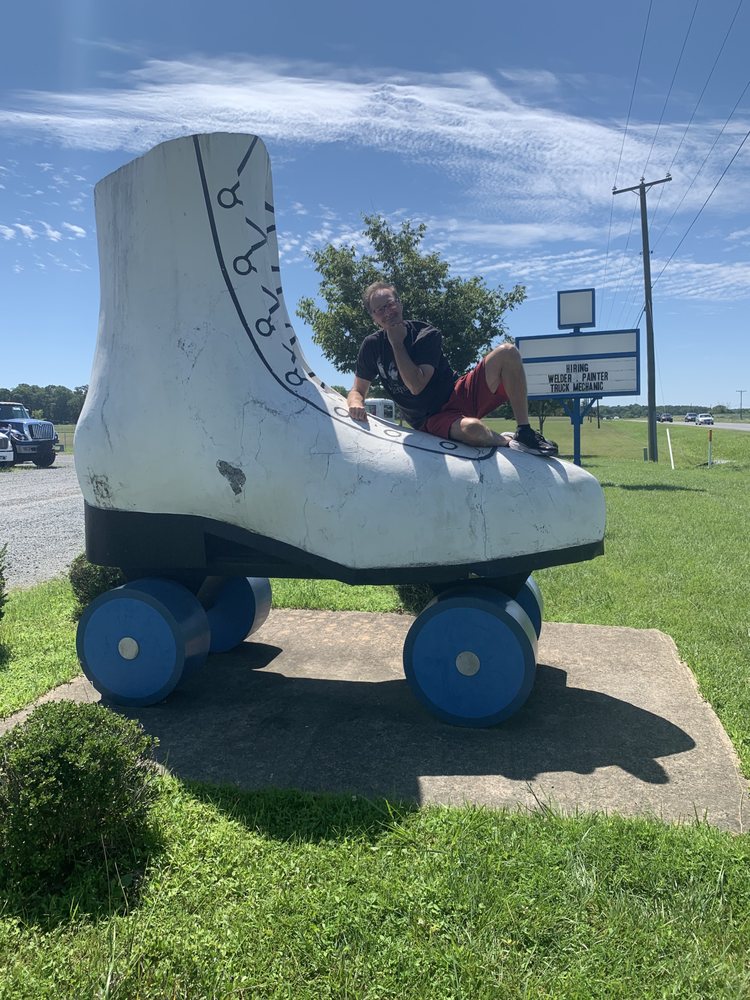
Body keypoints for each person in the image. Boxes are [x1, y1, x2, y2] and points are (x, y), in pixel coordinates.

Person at [347, 281, 558, 456]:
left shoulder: (426, 334)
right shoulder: (372, 346)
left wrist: (397, 343)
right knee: (474, 429)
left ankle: (524, 431)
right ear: (373, 317)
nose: (387, 312)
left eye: (390, 304)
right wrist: (356, 403)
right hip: (430, 417)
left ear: (400, 304)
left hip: (458, 391)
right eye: (379, 309)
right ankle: (508, 441)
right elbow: (358, 389)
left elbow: (416, 384)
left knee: (508, 352)